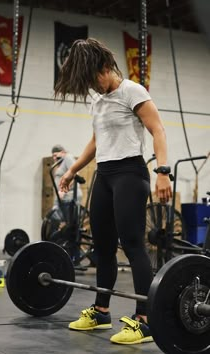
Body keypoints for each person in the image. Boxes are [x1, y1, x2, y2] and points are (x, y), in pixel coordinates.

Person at [54, 38, 172, 345]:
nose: (94, 85)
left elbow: (157, 129)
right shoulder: (98, 99)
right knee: (102, 245)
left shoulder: (132, 91)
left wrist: (162, 172)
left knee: (132, 244)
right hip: (104, 175)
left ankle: (145, 321)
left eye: (96, 77)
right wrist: (72, 169)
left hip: (130, 173)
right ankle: (102, 311)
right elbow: (96, 141)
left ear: (107, 67)